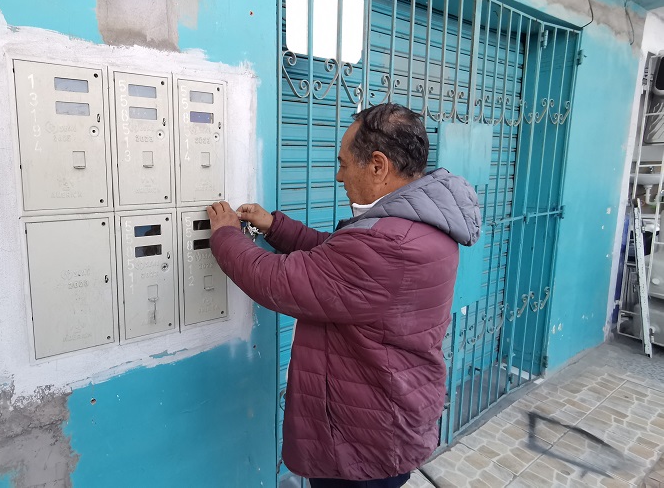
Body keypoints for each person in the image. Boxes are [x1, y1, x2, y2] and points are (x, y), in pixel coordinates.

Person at [206, 103, 481, 488]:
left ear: (378, 166)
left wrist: (224, 234)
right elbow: (335, 259)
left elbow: (276, 279)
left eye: (344, 163)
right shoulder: (422, 225)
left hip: (361, 439)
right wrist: (275, 226)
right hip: (390, 423)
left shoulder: (389, 242)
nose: (339, 176)